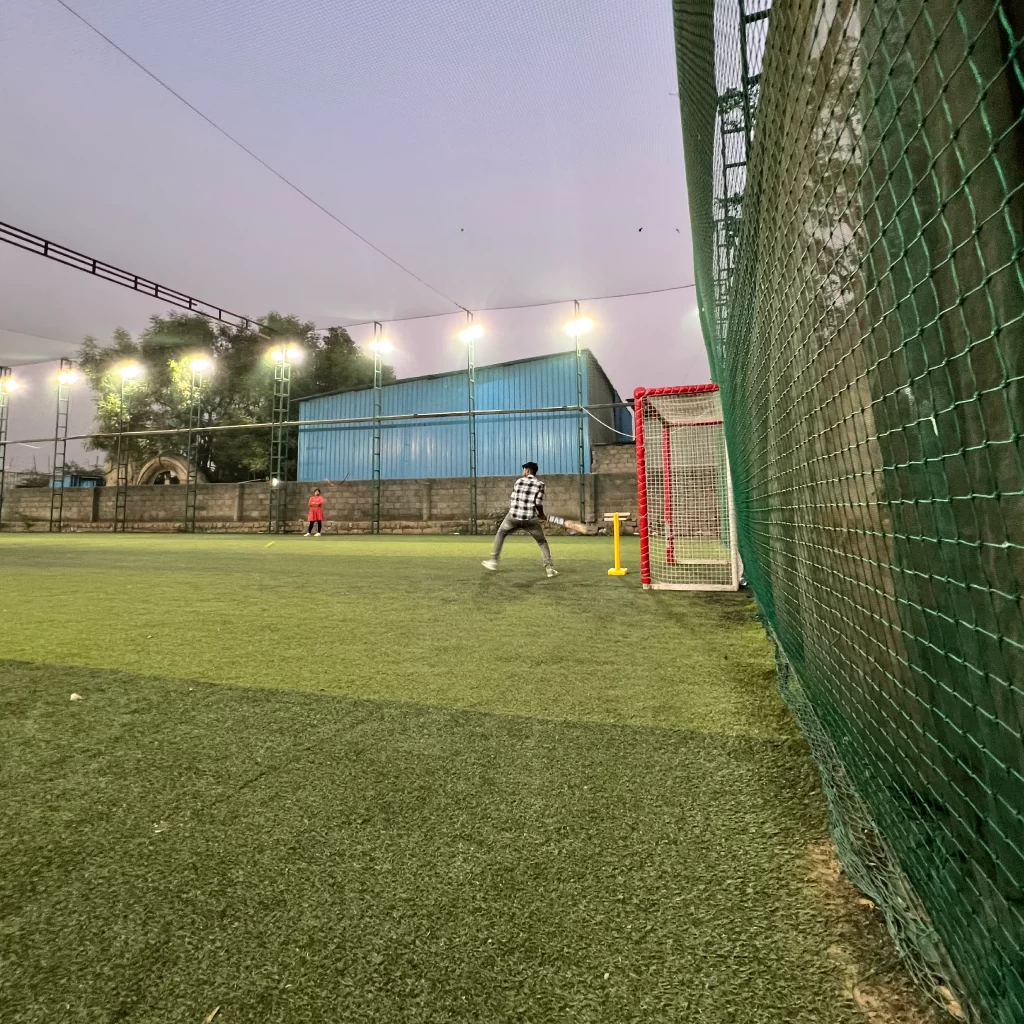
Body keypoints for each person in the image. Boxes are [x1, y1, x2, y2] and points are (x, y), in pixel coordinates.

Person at [482, 462, 558, 577]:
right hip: (530, 518)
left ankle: (493, 560)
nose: (523, 472)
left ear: (527, 470)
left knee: (501, 533)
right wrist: (542, 515)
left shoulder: (518, 481)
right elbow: (538, 503)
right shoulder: (540, 484)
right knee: (542, 542)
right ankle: (549, 569)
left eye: (524, 469)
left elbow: (513, 499)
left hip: (513, 517)